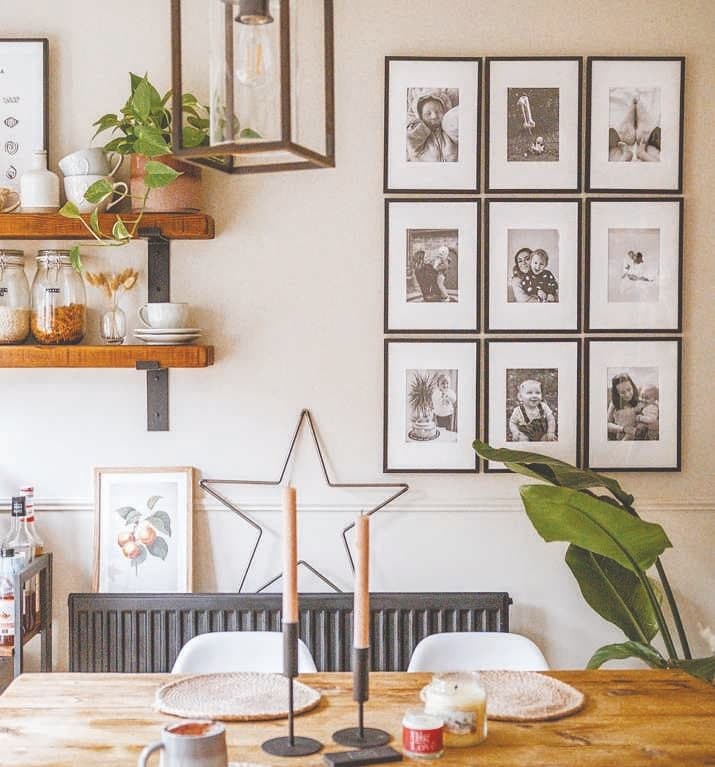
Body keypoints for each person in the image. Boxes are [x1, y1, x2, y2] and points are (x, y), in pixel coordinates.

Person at [406, 91, 459, 163]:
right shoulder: (420, 135)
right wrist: (417, 127)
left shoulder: (447, 130)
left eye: (438, 112)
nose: (434, 116)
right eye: (428, 113)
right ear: (421, 117)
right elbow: (411, 140)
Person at [608, 373, 640, 440]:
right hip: (621, 439)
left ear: (633, 387)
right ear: (617, 393)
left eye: (629, 389)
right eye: (622, 392)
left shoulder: (640, 400)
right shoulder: (614, 403)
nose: (627, 395)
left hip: (638, 438)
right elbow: (607, 425)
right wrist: (623, 429)